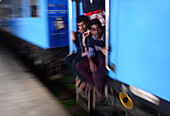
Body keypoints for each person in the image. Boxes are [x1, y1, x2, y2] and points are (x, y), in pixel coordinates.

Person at [76, 19, 108, 102]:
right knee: (79, 65)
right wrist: (90, 61)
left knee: (95, 74)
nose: (97, 31)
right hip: (96, 57)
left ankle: (100, 93)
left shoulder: (107, 36)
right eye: (93, 29)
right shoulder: (91, 38)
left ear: (102, 28)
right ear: (90, 31)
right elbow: (91, 52)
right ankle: (93, 84)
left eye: (98, 29)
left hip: (105, 60)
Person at [64, 15, 90, 91]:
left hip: (87, 53)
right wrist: (74, 39)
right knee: (67, 59)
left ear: (87, 23)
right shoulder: (79, 34)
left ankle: (83, 79)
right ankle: (80, 77)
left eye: (83, 24)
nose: (81, 27)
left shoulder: (89, 33)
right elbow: (79, 46)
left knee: (75, 61)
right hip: (81, 52)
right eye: (79, 25)